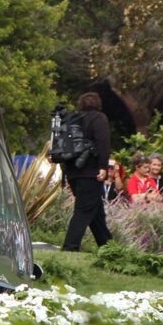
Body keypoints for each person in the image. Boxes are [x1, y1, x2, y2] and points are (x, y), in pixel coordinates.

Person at [61, 91, 113, 252]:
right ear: (98, 105)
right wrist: (103, 167)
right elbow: (103, 143)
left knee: (96, 214)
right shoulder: (99, 118)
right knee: (83, 211)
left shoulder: (73, 120)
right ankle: (70, 247)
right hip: (91, 173)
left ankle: (109, 247)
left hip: (73, 173)